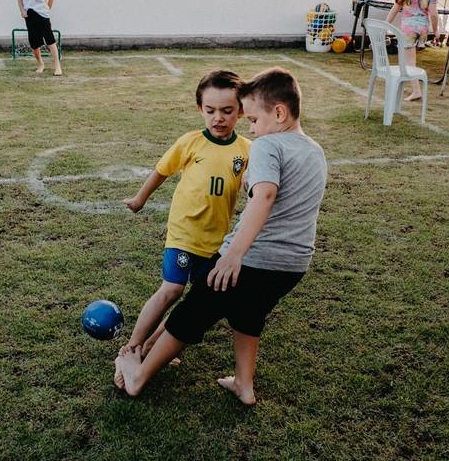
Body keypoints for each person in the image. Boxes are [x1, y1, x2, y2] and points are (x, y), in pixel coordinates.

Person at [115, 68, 327, 406]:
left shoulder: (267, 145)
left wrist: (234, 255)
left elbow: (265, 196)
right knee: (248, 315)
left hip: (254, 258)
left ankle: (137, 377)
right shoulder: (315, 150)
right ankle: (244, 384)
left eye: (253, 119)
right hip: (293, 265)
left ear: (279, 113)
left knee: (192, 312)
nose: (251, 128)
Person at [115, 70, 251, 383]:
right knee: (172, 289)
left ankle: (157, 347)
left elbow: (256, 188)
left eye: (227, 111)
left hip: (216, 243)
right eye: (210, 110)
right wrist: (139, 199)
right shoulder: (190, 142)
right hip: (184, 234)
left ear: (241, 111)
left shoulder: (247, 150)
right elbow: (161, 171)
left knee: (196, 300)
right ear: (200, 109)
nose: (218, 118)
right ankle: (131, 348)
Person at [386, 0, 440, 101]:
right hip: (422, 29)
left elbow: (395, 9)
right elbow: (433, 14)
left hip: (409, 29)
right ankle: (406, 85)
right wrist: (435, 31)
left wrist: (386, 25)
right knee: (408, 59)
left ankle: (416, 91)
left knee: (408, 61)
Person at [15, 0, 63, 76]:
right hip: (30, 16)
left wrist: (47, 8)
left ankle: (57, 65)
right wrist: (22, 10)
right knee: (34, 43)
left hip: (43, 15)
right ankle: (41, 64)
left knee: (50, 40)